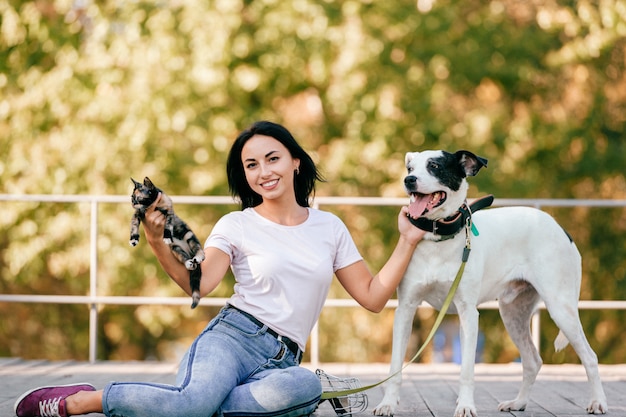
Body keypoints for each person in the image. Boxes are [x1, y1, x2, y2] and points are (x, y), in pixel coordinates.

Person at [14, 121, 425, 417]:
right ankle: (83, 401)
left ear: (296, 161)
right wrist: (158, 240)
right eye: (251, 165)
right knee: (195, 403)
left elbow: (372, 297)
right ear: (244, 176)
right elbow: (201, 282)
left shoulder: (329, 227)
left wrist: (407, 238)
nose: (264, 172)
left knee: (306, 386)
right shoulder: (237, 224)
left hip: (283, 360)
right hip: (233, 338)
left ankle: (190, 404)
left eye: (272, 159)